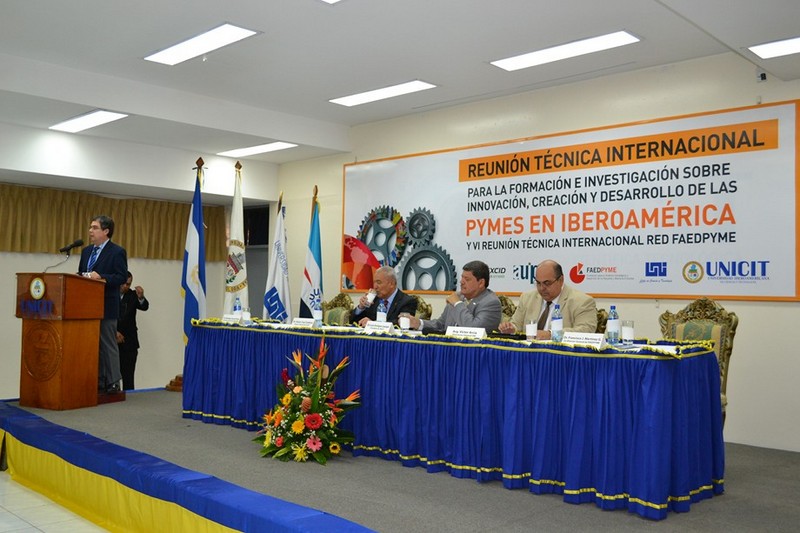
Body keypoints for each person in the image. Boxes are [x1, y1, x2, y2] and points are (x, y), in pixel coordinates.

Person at [78, 215, 128, 394]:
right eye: (90, 227)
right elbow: (81, 273)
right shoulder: (86, 251)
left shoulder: (117, 251)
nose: (90, 231)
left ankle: (113, 381)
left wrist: (102, 277)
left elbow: (121, 276)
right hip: (88, 306)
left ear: (106, 231)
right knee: (93, 344)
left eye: (95, 228)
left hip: (106, 305)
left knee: (107, 344)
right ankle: (99, 380)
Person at [498, 259, 597, 339]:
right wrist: (511, 329)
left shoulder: (582, 301)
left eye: (547, 283)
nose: (542, 288)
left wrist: (551, 335)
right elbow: (516, 325)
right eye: (538, 283)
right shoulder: (527, 298)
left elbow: (586, 331)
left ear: (561, 280)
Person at [401, 260, 501, 334]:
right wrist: (418, 323)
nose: (461, 282)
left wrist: (457, 304)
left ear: (481, 283)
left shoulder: (491, 302)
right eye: (462, 278)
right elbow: (440, 325)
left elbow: (473, 329)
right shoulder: (459, 297)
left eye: (467, 279)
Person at [350, 266, 416, 326]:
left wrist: (373, 324)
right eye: (374, 282)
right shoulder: (373, 299)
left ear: (391, 284)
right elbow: (353, 322)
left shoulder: (407, 301)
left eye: (379, 282)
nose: (375, 287)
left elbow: (402, 323)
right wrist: (361, 307)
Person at [117, 271, 149, 390]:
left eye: (128, 284)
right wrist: (113, 332)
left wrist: (141, 297)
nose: (126, 286)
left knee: (128, 377)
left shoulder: (132, 295)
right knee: (110, 379)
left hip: (129, 343)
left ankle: (129, 399)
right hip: (111, 341)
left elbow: (144, 306)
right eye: (124, 283)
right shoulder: (109, 294)